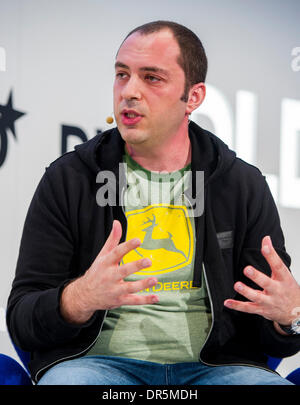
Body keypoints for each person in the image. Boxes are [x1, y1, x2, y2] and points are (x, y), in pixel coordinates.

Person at [7, 20, 300, 385]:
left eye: (152, 78)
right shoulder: (70, 179)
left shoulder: (241, 184)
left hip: (217, 370)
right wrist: (79, 298)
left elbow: (271, 333)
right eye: (122, 74)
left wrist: (289, 318)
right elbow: (22, 320)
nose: (129, 91)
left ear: (193, 97)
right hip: (99, 366)